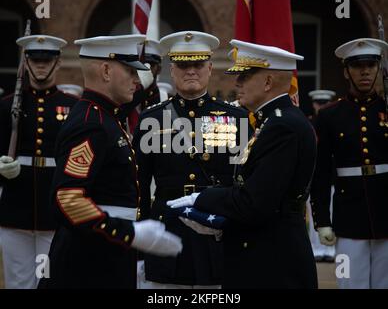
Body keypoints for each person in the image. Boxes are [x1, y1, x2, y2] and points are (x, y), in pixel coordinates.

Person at [167, 39, 318, 289]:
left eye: (245, 76)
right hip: (264, 250)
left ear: (268, 82)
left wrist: (202, 199)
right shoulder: (273, 122)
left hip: (272, 262)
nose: (237, 83)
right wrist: (223, 223)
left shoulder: (281, 127)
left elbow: (255, 202)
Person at [38, 34, 182, 289]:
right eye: (129, 71)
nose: (136, 80)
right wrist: (129, 233)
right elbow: (68, 199)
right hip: (88, 264)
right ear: (106, 70)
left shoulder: (105, 116)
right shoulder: (91, 125)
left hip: (106, 253)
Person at [133, 31, 249, 289]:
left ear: (210, 68)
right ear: (171, 70)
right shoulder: (152, 119)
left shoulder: (235, 118)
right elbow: (139, 183)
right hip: (168, 230)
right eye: (184, 65)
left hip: (216, 231)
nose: (191, 71)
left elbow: (244, 180)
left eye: (198, 64)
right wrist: (140, 240)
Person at [0, 35, 78, 289]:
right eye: (35, 60)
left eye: (47, 60)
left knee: (50, 281)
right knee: (18, 282)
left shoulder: (72, 106)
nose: (41, 65)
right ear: (26, 62)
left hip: (54, 209)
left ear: (57, 63)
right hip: (15, 208)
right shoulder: (6, 106)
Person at [310, 38, 388, 289]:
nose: (365, 71)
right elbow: (320, 172)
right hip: (348, 217)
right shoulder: (330, 115)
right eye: (357, 66)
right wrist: (322, 219)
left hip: (387, 211)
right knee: (349, 282)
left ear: (379, 69)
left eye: (371, 65)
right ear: (346, 71)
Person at [306, 90, 336, 262]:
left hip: (330, 176)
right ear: (314, 104)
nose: (321, 106)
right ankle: (316, 248)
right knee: (314, 214)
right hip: (313, 176)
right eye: (319, 103)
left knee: (330, 213)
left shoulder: (333, 122)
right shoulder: (310, 123)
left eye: (325, 103)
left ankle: (329, 249)